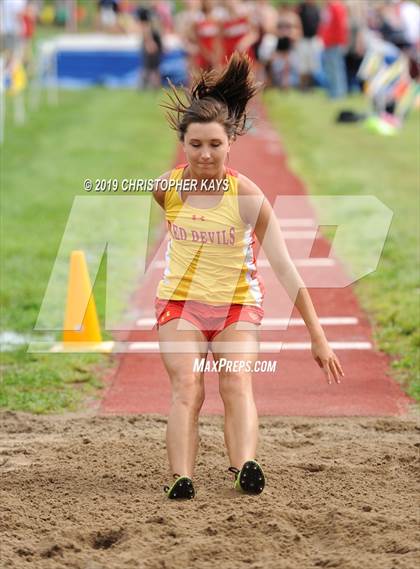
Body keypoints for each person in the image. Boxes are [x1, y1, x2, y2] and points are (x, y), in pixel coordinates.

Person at [153, 53, 345, 500]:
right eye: (196, 145)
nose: (205, 155)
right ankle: (181, 477)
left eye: (215, 145)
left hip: (237, 305)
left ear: (231, 143)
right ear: (183, 144)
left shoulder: (248, 197)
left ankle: (245, 466)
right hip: (179, 304)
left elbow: (285, 266)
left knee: (236, 380)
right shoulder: (165, 188)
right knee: (188, 385)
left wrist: (317, 334)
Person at [318, 0, 348, 98]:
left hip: (334, 42)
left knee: (335, 69)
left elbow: (340, 25)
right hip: (328, 42)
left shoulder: (335, 6)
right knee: (331, 69)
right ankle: (334, 92)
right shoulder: (329, 7)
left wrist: (340, 41)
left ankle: (338, 93)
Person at [296, 0, 321, 90]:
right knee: (303, 64)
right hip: (303, 39)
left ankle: (310, 86)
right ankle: (303, 86)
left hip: (313, 39)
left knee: (312, 64)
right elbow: (296, 20)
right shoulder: (301, 7)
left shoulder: (316, 8)